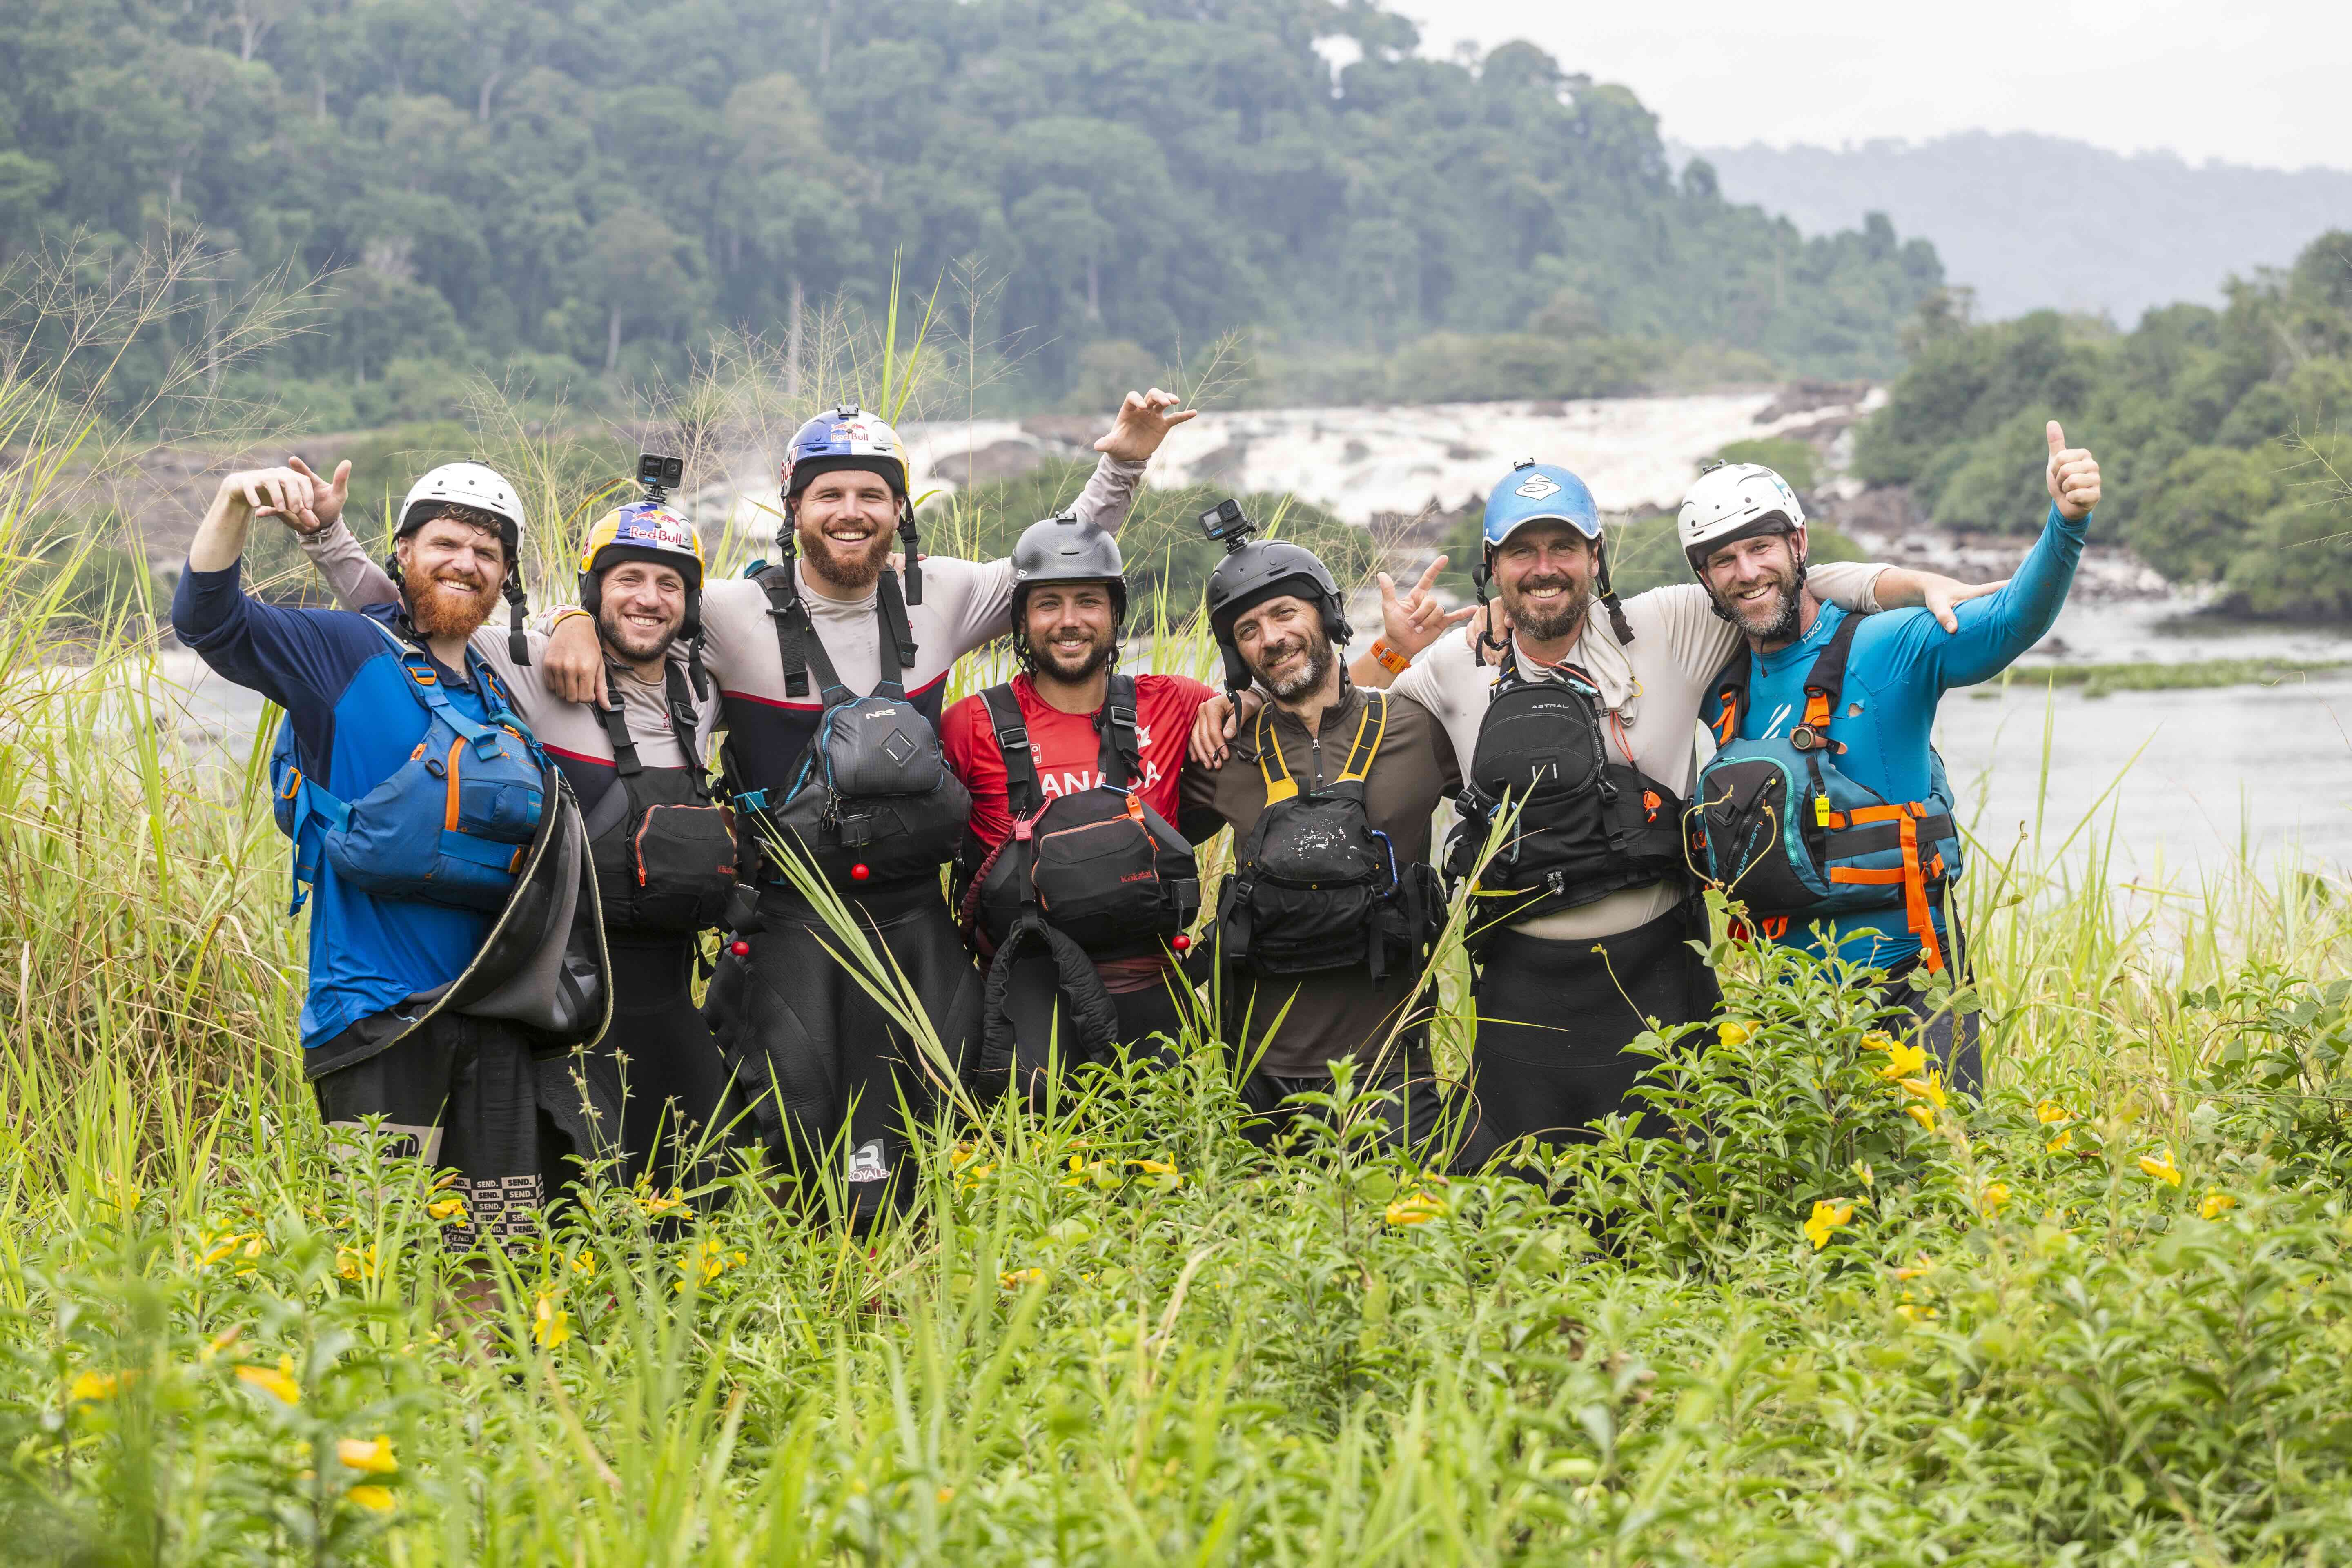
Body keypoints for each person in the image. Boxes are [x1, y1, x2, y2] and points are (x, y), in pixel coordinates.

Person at [537, 390, 1193, 1221]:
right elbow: (636, 602)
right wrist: (569, 616)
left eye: (871, 495)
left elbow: (1058, 561)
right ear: (796, 508)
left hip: (915, 924)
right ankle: (805, 1299)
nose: (851, 512)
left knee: (933, 1140)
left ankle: (917, 1293)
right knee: (793, 1141)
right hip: (790, 928)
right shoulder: (733, 614)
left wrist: (1124, 462)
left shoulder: (943, 595)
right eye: (830, 494)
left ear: (898, 509)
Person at [1348, 462, 1995, 1160]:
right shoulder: (1454, 664)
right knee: (1521, 1193)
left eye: (1563, 548)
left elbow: (1770, 581)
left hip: (1660, 974)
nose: (1544, 569)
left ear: (1596, 558)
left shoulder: (1669, 626)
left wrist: (1910, 583)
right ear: (1492, 567)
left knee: (1682, 1191)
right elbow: (1339, 727)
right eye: (1520, 552)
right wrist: (1388, 651)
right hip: (1520, 990)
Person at [172, 458, 612, 1257]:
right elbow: (211, 622)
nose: (466, 563)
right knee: (383, 1264)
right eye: (447, 543)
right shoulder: (342, 653)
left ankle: (490, 1386)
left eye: (487, 553)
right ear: (403, 553)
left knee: (500, 1262)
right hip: (376, 1021)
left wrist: (576, 617)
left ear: (505, 577)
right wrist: (234, 500)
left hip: (494, 1018)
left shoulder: (499, 691)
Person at [281, 464, 736, 1193]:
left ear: (689, 603)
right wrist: (328, 538)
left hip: (673, 992)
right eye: (625, 581)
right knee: (569, 1210)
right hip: (571, 999)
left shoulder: (703, 686)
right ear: (595, 589)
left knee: (696, 1198)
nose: (648, 599)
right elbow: (411, 611)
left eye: (669, 585)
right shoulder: (518, 664)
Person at [1684, 423, 2103, 1096]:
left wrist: (2068, 523)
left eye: (1760, 547)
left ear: (1798, 545)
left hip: (1916, 987)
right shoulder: (1717, 687)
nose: (1747, 572)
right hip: (1798, 1013)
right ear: (1705, 579)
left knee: (1937, 1186)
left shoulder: (1890, 645)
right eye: (1724, 560)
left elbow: (2010, 623)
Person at [1182, 508, 1458, 1152]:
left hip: (1394, 1068)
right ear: (1234, 654)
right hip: (1257, 1075)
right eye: (1247, 630)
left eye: (1285, 614)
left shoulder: (1420, 727)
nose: (1271, 638)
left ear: (1327, 616)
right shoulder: (1221, 748)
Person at [944, 513, 1223, 1100]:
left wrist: (1241, 705)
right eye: (1048, 604)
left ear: (1116, 615)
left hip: (1149, 986)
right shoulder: (971, 724)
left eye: (1088, 602)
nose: (1069, 622)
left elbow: (1300, 722)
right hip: (1028, 994)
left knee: (1174, 1169)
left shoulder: (1173, 703)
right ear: (1021, 619)